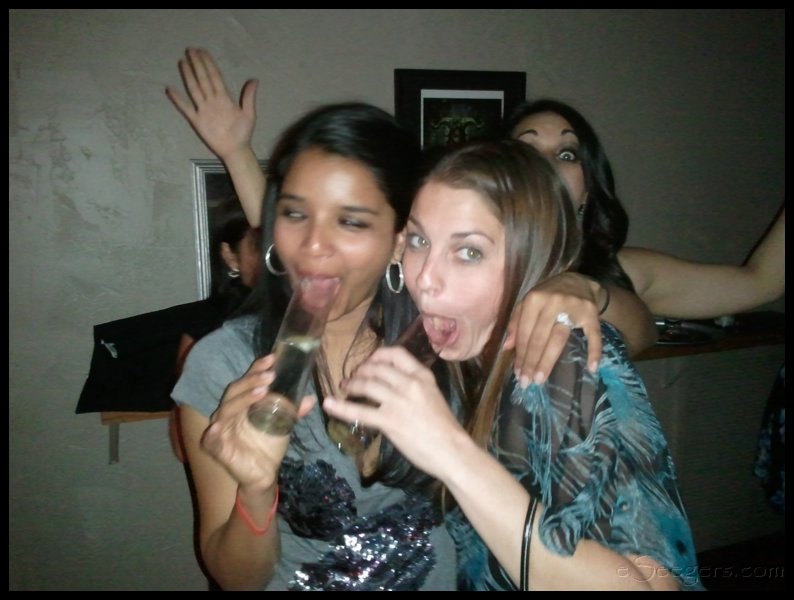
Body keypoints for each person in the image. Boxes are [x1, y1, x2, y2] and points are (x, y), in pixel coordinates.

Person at [323, 140, 703, 590]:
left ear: (530, 260)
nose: (424, 278)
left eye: (469, 251)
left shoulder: (561, 358)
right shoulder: (455, 351)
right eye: (421, 241)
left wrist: (450, 452)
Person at [166, 48, 658, 381]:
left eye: (566, 155)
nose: (315, 243)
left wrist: (582, 289)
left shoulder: (480, 297)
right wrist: (235, 152)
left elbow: (636, 334)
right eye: (421, 240)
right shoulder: (417, 289)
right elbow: (310, 240)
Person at [171, 101, 461, 591]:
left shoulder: (445, 341)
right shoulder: (224, 363)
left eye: (351, 222)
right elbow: (236, 579)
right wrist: (257, 489)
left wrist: (578, 292)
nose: (312, 247)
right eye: (294, 213)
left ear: (399, 240)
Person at [506, 98, 785, 321]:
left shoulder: (619, 274)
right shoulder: (480, 266)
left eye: (567, 154)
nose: (547, 163)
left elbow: (763, 283)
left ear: (587, 192)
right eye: (528, 150)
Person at [170, 194, 261, 462]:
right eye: (259, 245)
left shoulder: (318, 316)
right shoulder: (209, 325)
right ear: (231, 256)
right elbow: (184, 446)